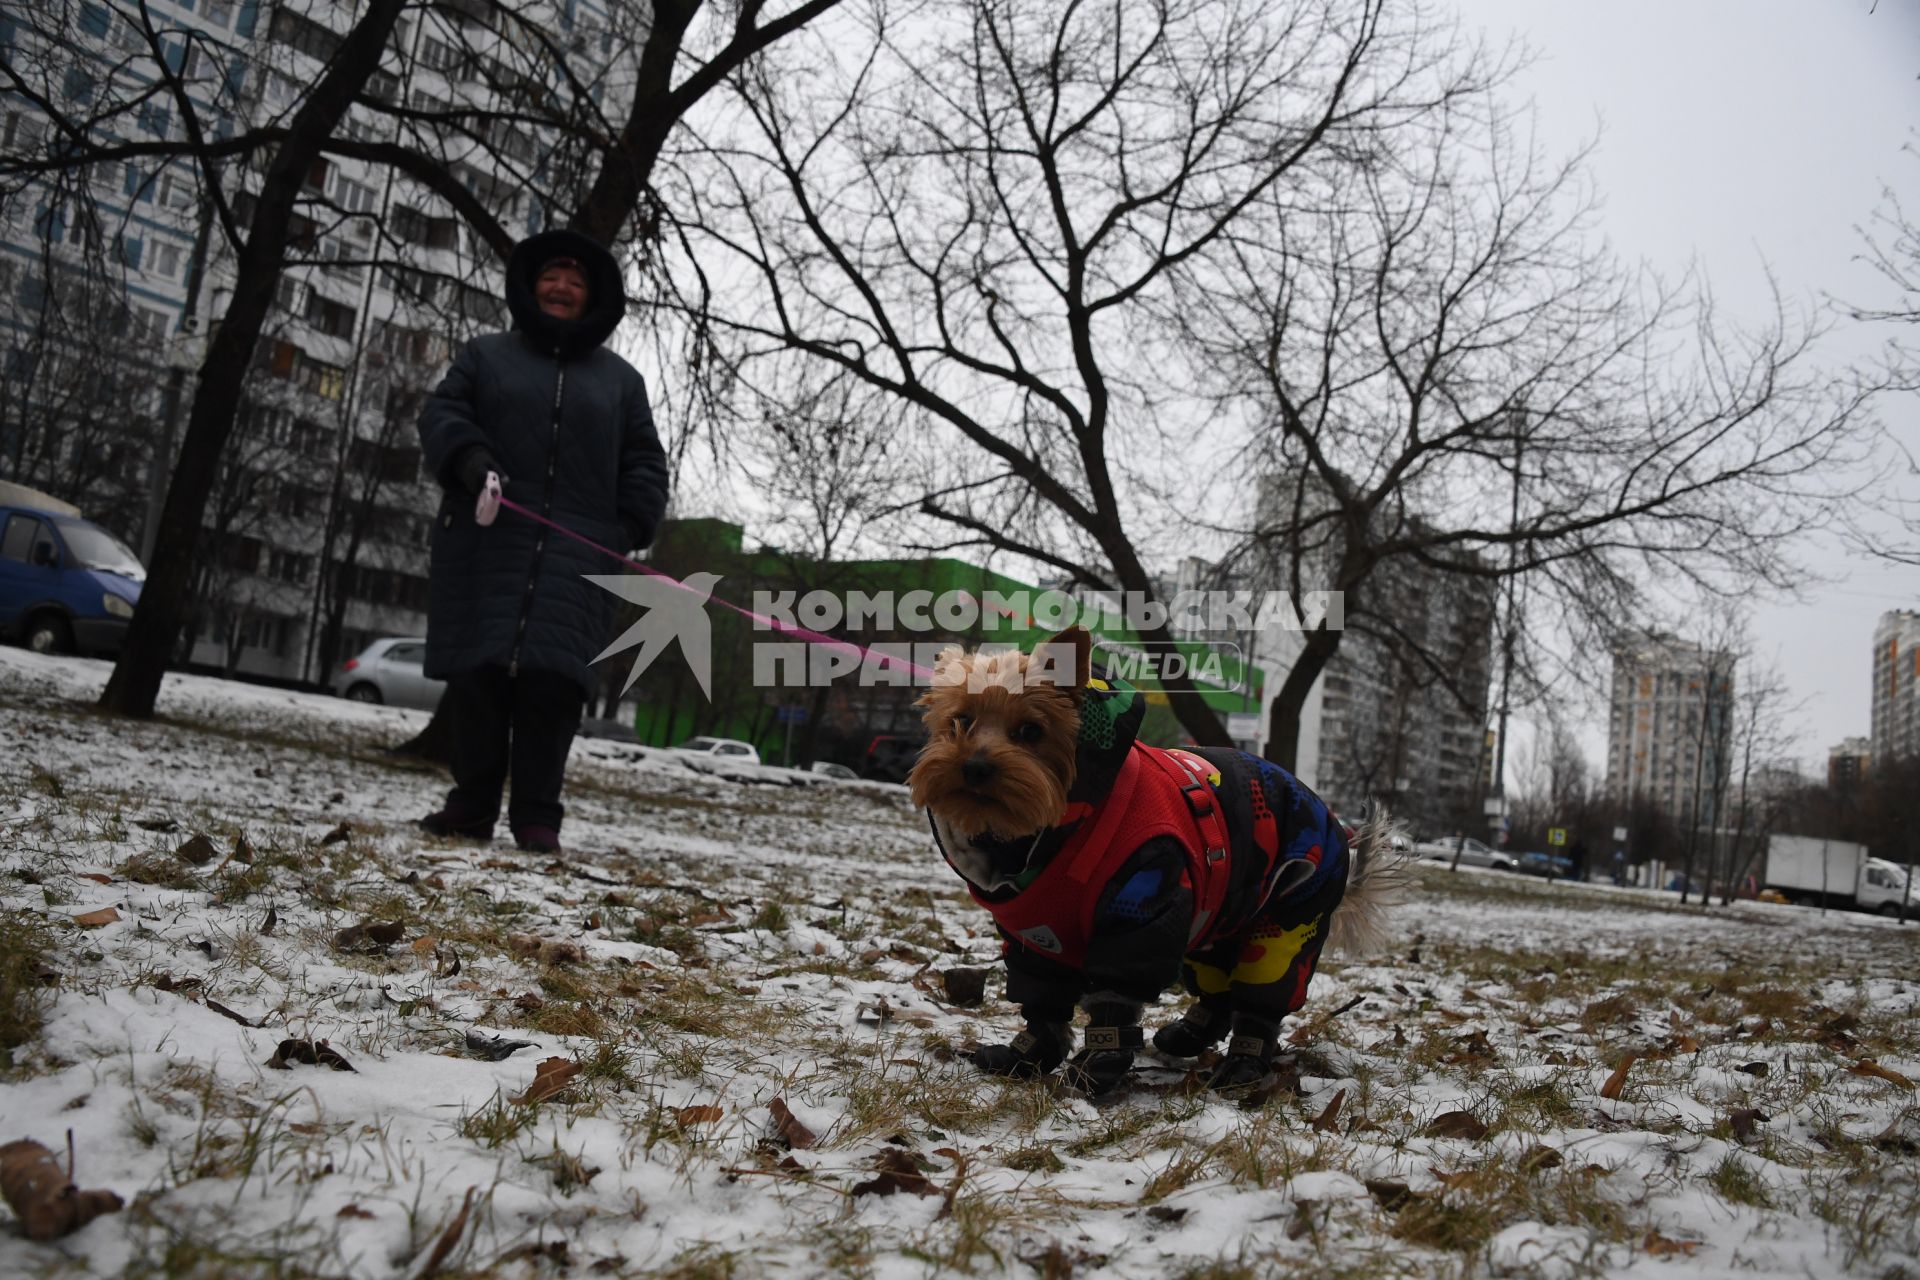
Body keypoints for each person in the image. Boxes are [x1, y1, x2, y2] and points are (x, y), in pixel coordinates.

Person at [414, 228, 669, 854]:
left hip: (579, 558)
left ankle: (537, 816)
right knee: (479, 677)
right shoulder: (484, 356)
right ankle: (470, 805)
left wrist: (626, 528)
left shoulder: (621, 382)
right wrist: (471, 460)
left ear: (592, 297)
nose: (561, 288)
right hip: (487, 541)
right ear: (532, 287)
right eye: (552, 278)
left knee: (554, 688)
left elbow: (645, 463)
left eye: (576, 282)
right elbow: (443, 415)